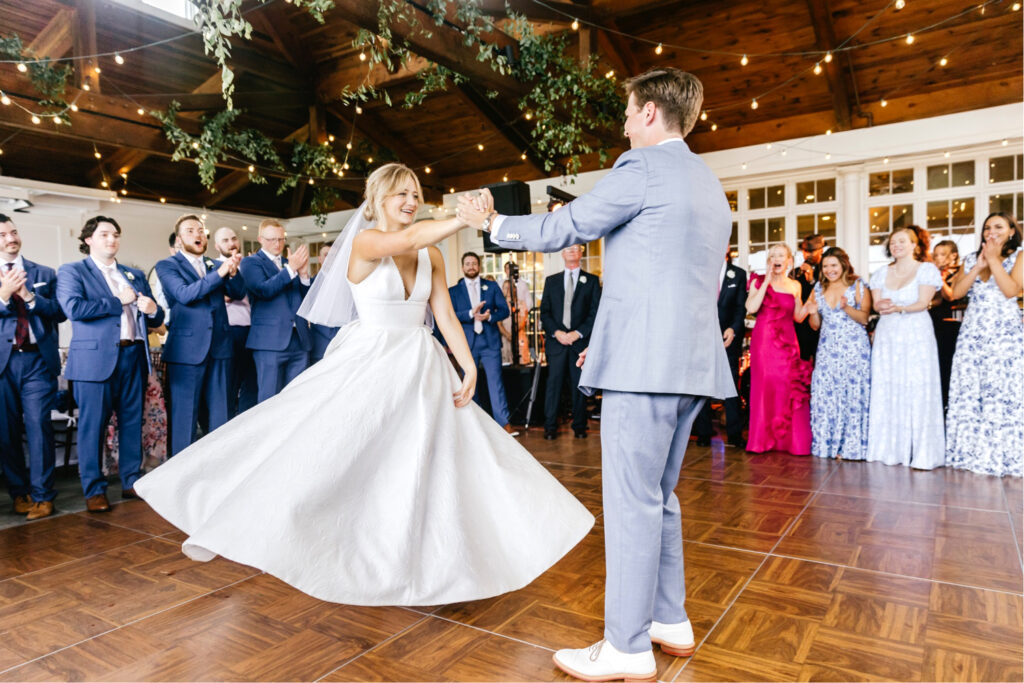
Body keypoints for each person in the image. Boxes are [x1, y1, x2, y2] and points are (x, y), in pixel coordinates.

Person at [133, 163, 593, 607]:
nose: (412, 201)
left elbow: (445, 316)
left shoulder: (432, 254)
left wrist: (468, 366)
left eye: (416, 194)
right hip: (372, 360)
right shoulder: (367, 240)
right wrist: (464, 217)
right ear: (379, 199)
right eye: (403, 194)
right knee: (329, 451)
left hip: (423, 363)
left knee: (439, 461)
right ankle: (264, 521)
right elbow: (409, 236)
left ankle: (429, 558)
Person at [461, 68, 734, 682]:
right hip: (692, 361)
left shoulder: (640, 169)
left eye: (628, 110)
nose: (624, 121)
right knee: (658, 498)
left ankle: (626, 647)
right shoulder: (710, 184)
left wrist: (495, 225)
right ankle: (670, 619)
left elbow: (568, 226)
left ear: (647, 114)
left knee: (632, 501)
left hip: (645, 360)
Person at [56, 216, 165, 511]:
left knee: (132, 424)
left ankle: (131, 481)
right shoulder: (72, 271)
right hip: (94, 361)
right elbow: (74, 309)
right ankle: (94, 489)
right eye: (104, 234)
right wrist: (118, 300)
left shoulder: (134, 274)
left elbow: (154, 317)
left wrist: (155, 311)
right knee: (93, 426)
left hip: (133, 355)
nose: (111, 239)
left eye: (115, 234)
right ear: (88, 239)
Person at [155, 214, 245, 456]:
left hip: (220, 347)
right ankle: (180, 476)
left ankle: (219, 467)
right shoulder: (167, 266)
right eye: (190, 230)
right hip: (186, 351)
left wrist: (233, 272)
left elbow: (237, 293)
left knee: (221, 414)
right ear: (179, 239)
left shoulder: (216, 265)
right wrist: (221, 273)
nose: (197, 234)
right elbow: (185, 294)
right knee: (184, 416)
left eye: (200, 230)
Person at [945, 213, 1023, 477]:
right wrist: (978, 266)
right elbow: (956, 293)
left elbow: (1012, 290)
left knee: (1001, 391)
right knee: (971, 389)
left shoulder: (1020, 256)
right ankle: (969, 451)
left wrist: (994, 259)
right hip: (973, 334)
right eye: (987, 227)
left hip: (1004, 335)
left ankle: (1002, 454)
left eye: (999, 227)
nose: (992, 231)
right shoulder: (970, 259)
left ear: (1011, 231)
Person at [0, 215, 65, 519]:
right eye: (2, 234)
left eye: (13, 231)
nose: (10, 238)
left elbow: (59, 312)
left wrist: (29, 296)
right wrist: (3, 297)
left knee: (39, 426)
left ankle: (43, 495)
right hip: (4, 362)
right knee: (7, 431)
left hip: (38, 359)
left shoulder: (45, 273)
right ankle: (19, 492)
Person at [867, 226, 944, 469]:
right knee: (888, 384)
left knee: (918, 385)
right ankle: (889, 448)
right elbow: (877, 304)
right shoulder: (880, 273)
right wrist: (882, 306)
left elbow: (923, 303)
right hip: (888, 334)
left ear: (915, 245)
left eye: (902, 241)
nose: (896, 245)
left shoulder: (927, 270)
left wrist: (898, 308)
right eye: (893, 242)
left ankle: (922, 451)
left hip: (916, 332)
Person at [745, 243, 813, 455]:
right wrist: (766, 282)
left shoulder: (795, 286)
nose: (776, 258)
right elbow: (751, 308)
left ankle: (789, 441)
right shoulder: (757, 281)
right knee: (765, 385)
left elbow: (798, 316)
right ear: (768, 261)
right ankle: (761, 440)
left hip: (788, 342)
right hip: (764, 341)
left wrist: (811, 306)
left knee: (787, 385)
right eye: (773, 255)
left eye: (781, 255)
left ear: (788, 261)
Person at [804, 247, 871, 460]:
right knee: (826, 395)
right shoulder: (817, 288)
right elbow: (815, 325)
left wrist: (846, 308)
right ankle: (827, 445)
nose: (829, 270)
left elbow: (864, 319)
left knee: (852, 395)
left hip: (854, 350)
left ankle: (851, 447)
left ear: (843, 264)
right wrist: (813, 313)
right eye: (825, 266)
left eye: (833, 265)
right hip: (827, 349)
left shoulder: (857, 286)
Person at [238, 219, 312, 402]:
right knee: (269, 399)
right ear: (260, 239)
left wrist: (303, 276)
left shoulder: (290, 263)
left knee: (297, 397)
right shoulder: (250, 263)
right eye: (272, 239)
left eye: (281, 239)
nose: (277, 244)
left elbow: (306, 300)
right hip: (269, 341)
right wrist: (291, 270)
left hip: (299, 339)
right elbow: (264, 290)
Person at [448, 251, 515, 433]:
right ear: (463, 267)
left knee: (496, 383)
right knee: (470, 384)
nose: (471, 266)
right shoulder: (453, 291)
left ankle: (503, 423)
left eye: (474, 263)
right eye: (467, 263)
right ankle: (475, 425)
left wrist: (489, 316)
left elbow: (504, 311)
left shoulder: (491, 286)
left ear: (479, 266)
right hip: (467, 344)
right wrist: (470, 314)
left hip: (490, 342)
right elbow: (450, 315)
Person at [539, 244, 601, 439]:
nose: (573, 250)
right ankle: (550, 427)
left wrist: (578, 333)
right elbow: (545, 313)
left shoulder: (591, 281)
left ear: (581, 252)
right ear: (562, 253)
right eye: (568, 248)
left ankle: (580, 426)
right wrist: (557, 332)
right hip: (557, 343)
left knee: (579, 386)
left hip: (579, 343)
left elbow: (595, 312)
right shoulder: (551, 281)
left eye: (576, 248)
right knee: (553, 385)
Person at [694, 253, 746, 448]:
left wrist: (733, 328)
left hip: (728, 339)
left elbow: (741, 307)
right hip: (701, 337)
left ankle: (734, 434)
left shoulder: (738, 274)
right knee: (702, 386)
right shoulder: (698, 270)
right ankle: (704, 433)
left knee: (731, 384)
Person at [213, 227, 257, 416]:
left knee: (251, 383)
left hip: (253, 329)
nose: (231, 243)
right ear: (217, 245)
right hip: (229, 330)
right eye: (225, 240)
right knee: (229, 385)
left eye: (233, 239)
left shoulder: (248, 265)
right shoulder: (214, 267)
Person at [930, 239, 966, 410]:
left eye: (943, 255)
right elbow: (935, 300)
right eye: (935, 255)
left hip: (952, 324)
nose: (938, 259)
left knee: (948, 364)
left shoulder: (959, 273)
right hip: (935, 323)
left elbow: (951, 296)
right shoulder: (935, 273)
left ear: (954, 256)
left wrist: (940, 279)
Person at [791, 234, 824, 361]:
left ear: (821, 250)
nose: (808, 254)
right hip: (800, 327)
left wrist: (812, 280)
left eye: (812, 251)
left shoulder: (827, 269)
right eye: (805, 251)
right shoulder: (795, 272)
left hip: (821, 324)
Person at [308, 241, 340, 363]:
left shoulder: (348, 282)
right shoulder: (310, 284)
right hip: (320, 345)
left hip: (345, 343)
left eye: (335, 255)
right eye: (327, 255)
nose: (331, 258)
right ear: (319, 258)